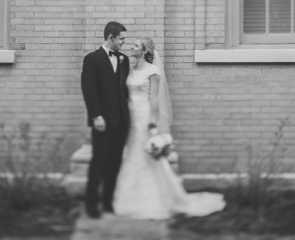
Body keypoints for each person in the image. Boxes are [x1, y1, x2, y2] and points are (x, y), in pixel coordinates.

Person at [113, 37, 225, 220]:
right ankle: (132, 195)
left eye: (135, 45)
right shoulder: (131, 70)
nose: (131, 47)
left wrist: (153, 122)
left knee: (146, 155)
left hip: (144, 116)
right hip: (131, 117)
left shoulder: (153, 71)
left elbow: (155, 99)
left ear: (144, 51)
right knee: (133, 152)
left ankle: (153, 200)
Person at [81, 21, 130, 219]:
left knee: (114, 162)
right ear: (111, 37)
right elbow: (89, 90)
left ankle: (108, 202)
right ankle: (92, 204)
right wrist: (96, 116)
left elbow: (124, 90)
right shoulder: (93, 59)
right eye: (121, 39)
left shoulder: (124, 59)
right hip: (102, 121)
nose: (123, 43)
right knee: (98, 162)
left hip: (121, 122)